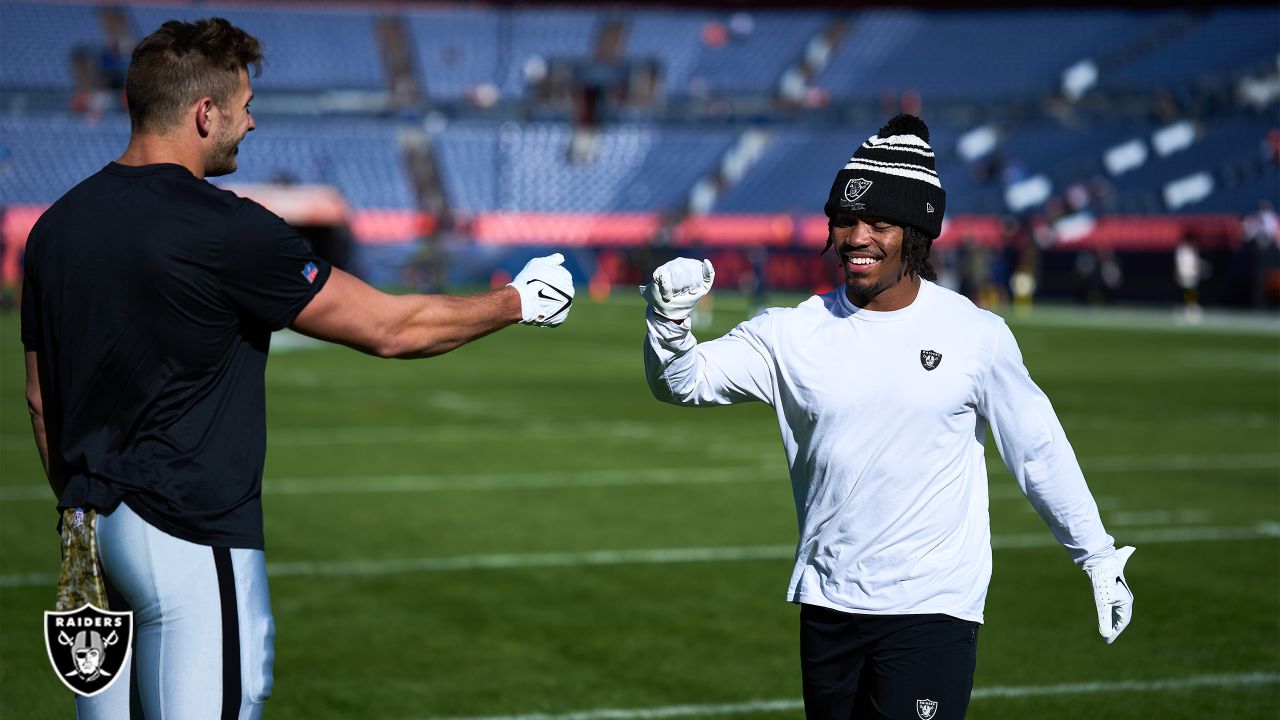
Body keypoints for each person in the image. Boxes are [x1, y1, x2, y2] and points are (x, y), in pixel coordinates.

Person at [22, 18, 574, 719]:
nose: (251, 123)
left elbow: (43, 402)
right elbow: (391, 329)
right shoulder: (224, 228)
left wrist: (81, 510)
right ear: (204, 112)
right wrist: (519, 301)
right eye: (244, 105)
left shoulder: (54, 228)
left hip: (89, 535)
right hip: (188, 532)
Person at [641, 114, 1134, 720]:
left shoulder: (976, 335)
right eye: (846, 221)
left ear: (916, 233)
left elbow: (1037, 448)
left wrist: (1097, 553)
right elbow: (681, 383)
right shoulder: (790, 332)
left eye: (879, 223)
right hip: (829, 601)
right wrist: (667, 320)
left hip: (932, 607)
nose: (858, 237)